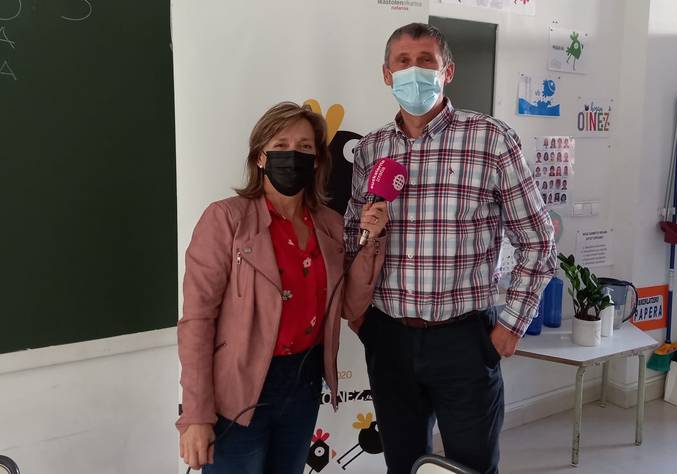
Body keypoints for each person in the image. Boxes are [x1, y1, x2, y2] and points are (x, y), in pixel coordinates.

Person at [343, 23, 556, 474]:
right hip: (389, 338)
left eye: (426, 61)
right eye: (403, 62)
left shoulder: (491, 139)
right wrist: (361, 315)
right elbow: (350, 239)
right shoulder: (371, 150)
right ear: (387, 74)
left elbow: (538, 241)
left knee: (470, 467)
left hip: (465, 341)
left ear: (448, 71)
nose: (414, 71)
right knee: (402, 465)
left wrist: (511, 327)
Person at [177, 102, 387, 473]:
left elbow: (351, 307)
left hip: (303, 383)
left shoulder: (331, 224)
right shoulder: (225, 219)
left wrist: (371, 243)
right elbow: (197, 321)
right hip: (239, 390)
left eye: (305, 147)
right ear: (260, 157)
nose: (293, 155)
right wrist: (196, 414)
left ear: (317, 160)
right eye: (281, 145)